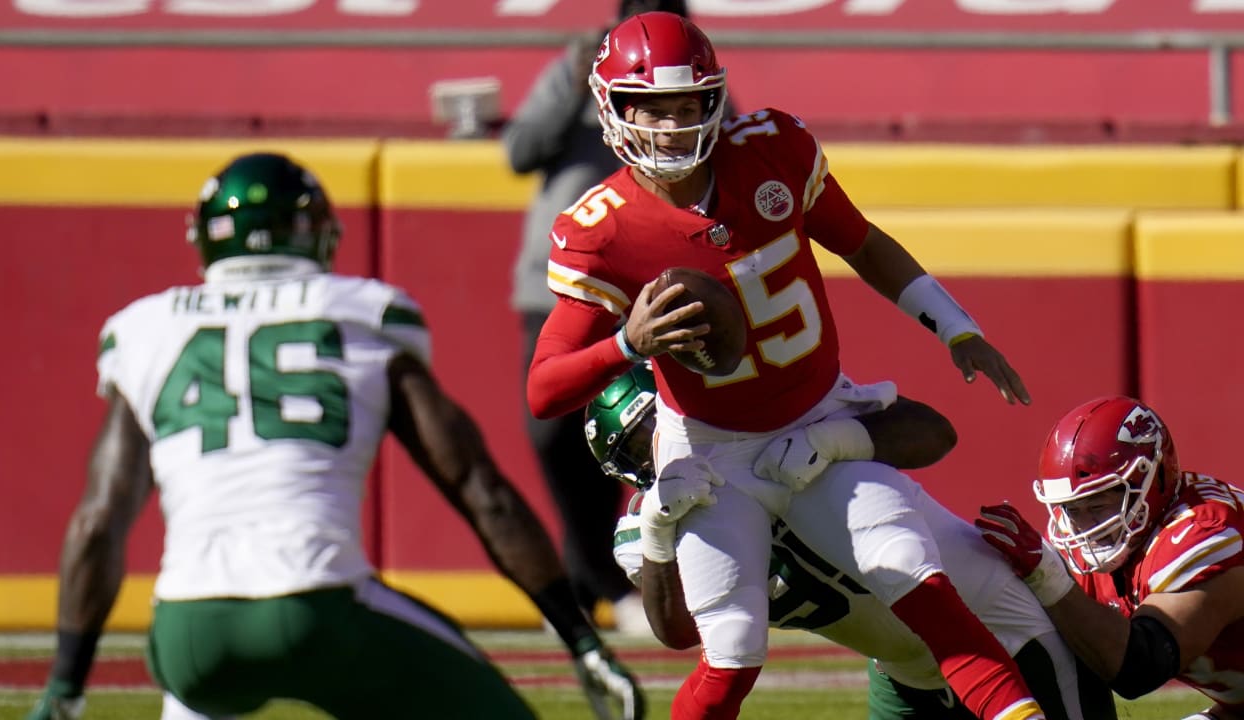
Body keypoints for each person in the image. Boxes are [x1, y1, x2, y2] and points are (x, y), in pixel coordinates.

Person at [526, 10, 1036, 720]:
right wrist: (628, 345)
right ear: (614, 109)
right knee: (732, 648)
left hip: (820, 412)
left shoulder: (773, 150)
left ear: (713, 100)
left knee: (918, 580)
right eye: (653, 110)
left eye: (686, 107)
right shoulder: (604, 229)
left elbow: (862, 242)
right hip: (710, 451)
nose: (672, 127)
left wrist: (955, 328)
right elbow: (543, 390)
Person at [26, 152, 643, 720]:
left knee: (202, 688)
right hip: (316, 606)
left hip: (187, 631)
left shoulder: (147, 327)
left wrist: (65, 685)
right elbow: (480, 490)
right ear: (315, 229)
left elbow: (97, 521)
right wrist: (581, 638)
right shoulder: (359, 312)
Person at [589, 365, 1117, 720]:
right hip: (904, 672)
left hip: (1004, 627)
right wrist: (660, 533)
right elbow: (679, 631)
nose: (658, 450)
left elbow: (935, 432)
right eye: (638, 448)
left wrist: (836, 439)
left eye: (658, 425)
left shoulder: (774, 424)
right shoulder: (657, 527)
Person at [503, 0, 701, 633]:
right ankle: (589, 575)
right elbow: (520, 149)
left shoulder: (692, 78)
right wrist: (588, 86)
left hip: (652, 279)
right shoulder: (576, 66)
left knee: (651, 430)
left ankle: (647, 580)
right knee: (558, 430)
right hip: (565, 274)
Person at [976, 397, 1244, 720]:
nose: (1086, 528)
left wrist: (1048, 579)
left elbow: (1142, 665)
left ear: (1154, 480)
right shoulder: (1096, 545)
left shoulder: (1204, 534)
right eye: (1074, 510)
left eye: (1099, 506)